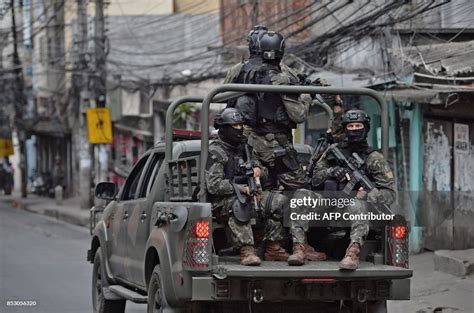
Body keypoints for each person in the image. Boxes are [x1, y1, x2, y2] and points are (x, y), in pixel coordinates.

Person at [311, 109, 396, 270]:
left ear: (365, 128)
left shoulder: (374, 158)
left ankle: (353, 252)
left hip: (355, 210)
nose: (354, 129)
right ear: (345, 129)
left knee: (357, 204)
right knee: (302, 197)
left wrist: (369, 195)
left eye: (358, 125)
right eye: (351, 126)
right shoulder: (333, 151)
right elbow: (314, 178)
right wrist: (332, 172)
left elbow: (390, 193)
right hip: (330, 205)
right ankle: (301, 247)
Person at [205, 108, 289, 266]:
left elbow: (260, 170)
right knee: (241, 204)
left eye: (240, 125)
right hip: (221, 201)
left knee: (279, 201)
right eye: (234, 126)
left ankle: (273, 247)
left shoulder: (244, 147)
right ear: (224, 128)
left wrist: (259, 171)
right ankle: (247, 250)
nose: (239, 129)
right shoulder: (216, 151)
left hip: (251, 193)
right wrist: (241, 188)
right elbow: (213, 185)